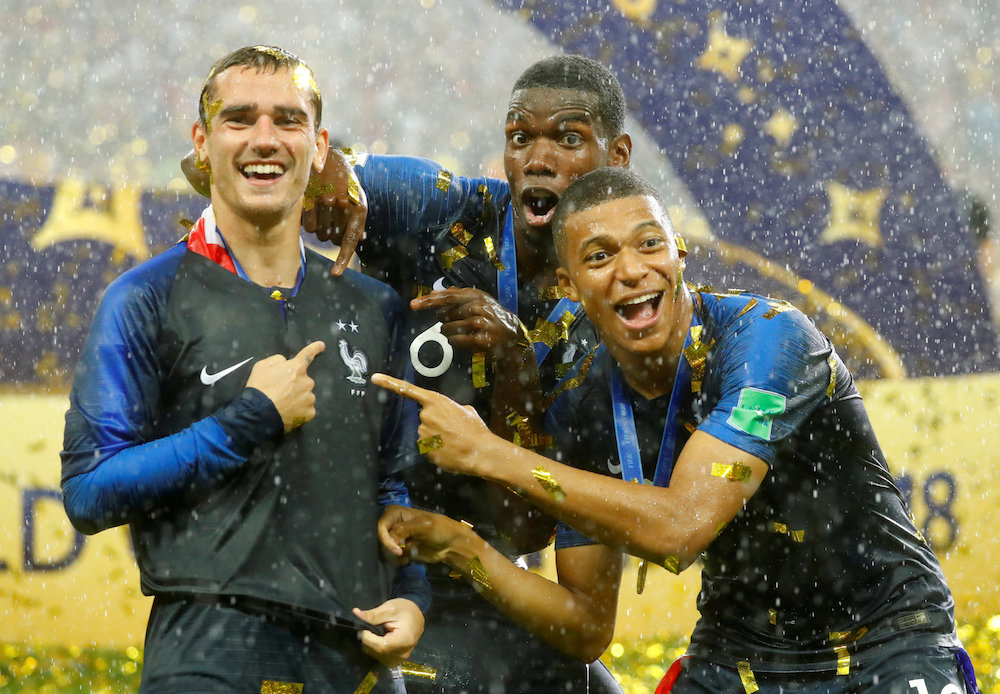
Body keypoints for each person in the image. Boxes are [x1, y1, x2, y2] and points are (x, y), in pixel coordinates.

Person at [374, 167, 980, 693]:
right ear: (567, 286)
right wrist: (462, 545)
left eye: (648, 245)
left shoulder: (770, 339)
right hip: (737, 653)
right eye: (600, 256)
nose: (632, 271)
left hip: (890, 640)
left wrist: (493, 455)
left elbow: (682, 528)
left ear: (678, 254)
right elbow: (585, 627)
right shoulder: (580, 394)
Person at [183, 53, 629, 693]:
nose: (538, 158)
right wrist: (332, 180)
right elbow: (330, 173)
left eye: (568, 138)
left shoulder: (614, 322)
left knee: (589, 686)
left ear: (615, 155)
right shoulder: (448, 207)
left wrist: (515, 372)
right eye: (519, 137)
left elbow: (527, 528)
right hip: (362, 554)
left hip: (487, 573)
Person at [61, 45, 429, 694]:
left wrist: (412, 595)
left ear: (319, 149)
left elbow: (395, 486)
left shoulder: (377, 308)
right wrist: (248, 422)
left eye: (288, 120)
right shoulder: (145, 298)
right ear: (202, 143)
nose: (265, 139)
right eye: (240, 119)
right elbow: (90, 491)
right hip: (208, 650)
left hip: (358, 657)